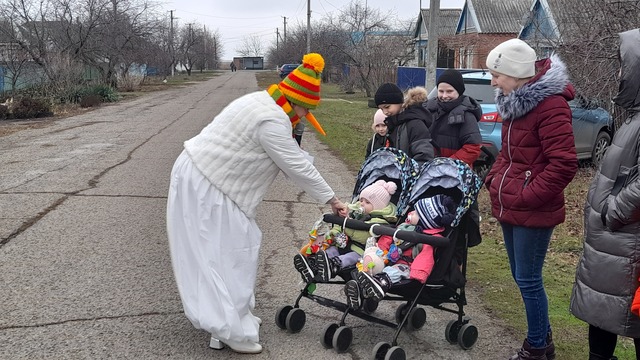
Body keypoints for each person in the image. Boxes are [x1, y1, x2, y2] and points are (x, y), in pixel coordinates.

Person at [166, 53, 345, 355]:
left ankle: (234, 317)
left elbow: (293, 157)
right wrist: (333, 199)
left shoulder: (261, 101)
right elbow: (296, 166)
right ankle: (227, 328)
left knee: (233, 249)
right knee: (224, 256)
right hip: (209, 184)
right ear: (296, 101)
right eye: (304, 111)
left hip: (203, 176)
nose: (303, 117)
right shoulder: (272, 120)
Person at [483, 38, 578, 360]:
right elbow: (508, 155)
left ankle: (537, 348)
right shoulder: (512, 102)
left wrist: (526, 196)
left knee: (528, 279)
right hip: (510, 204)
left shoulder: (551, 106)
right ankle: (542, 334)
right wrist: (493, 179)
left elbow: (564, 164)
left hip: (533, 209)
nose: (493, 81)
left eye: (496, 74)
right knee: (520, 276)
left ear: (515, 72)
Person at [570, 28, 640, 360]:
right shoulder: (634, 119)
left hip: (626, 244)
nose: (618, 74)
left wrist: (613, 210)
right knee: (601, 316)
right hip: (613, 245)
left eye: (623, 66)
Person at [344, 194, 456, 309]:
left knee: (396, 271)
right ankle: (361, 288)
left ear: (424, 220)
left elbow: (425, 258)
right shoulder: (404, 227)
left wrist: (418, 274)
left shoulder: (428, 240)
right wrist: (380, 251)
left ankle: (381, 281)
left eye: (416, 213)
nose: (411, 213)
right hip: (390, 258)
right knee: (372, 263)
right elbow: (388, 238)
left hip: (407, 265)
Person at [293, 180, 398, 283]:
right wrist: (335, 231)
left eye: (367, 202)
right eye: (361, 200)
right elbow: (341, 225)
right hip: (344, 245)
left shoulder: (379, 221)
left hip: (361, 251)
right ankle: (314, 265)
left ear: (378, 207)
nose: (362, 204)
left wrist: (347, 225)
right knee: (331, 250)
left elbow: (363, 236)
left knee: (349, 257)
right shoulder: (355, 213)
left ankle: (334, 266)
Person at [423, 69, 482, 166]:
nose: (444, 95)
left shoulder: (466, 114)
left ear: (459, 91)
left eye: (449, 91)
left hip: (454, 175)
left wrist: (447, 165)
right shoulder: (427, 109)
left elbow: (473, 148)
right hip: (428, 171)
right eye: (441, 91)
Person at [374, 83, 434, 164]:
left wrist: (410, 172)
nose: (385, 112)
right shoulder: (393, 123)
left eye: (387, 107)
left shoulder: (415, 124)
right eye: (381, 109)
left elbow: (424, 155)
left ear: (399, 102)